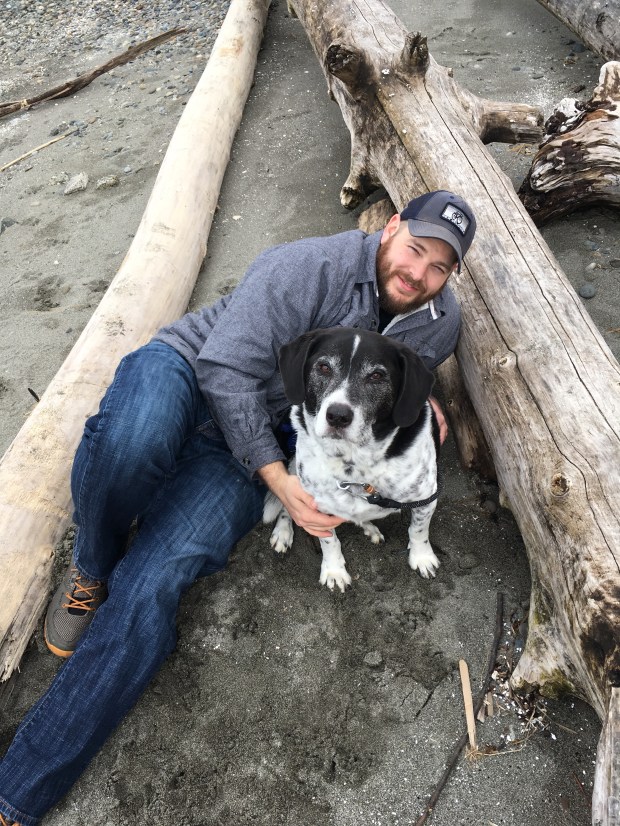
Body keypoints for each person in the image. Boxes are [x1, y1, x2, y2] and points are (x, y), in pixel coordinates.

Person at [0, 189, 476, 825]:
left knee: (157, 578)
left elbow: (408, 386)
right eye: (415, 249)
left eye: (440, 267)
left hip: (264, 439)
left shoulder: (438, 321)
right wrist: (280, 482)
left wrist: (425, 404)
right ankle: (91, 563)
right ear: (391, 227)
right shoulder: (307, 267)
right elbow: (224, 370)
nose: (419, 274)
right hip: (189, 372)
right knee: (133, 443)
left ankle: (15, 795)